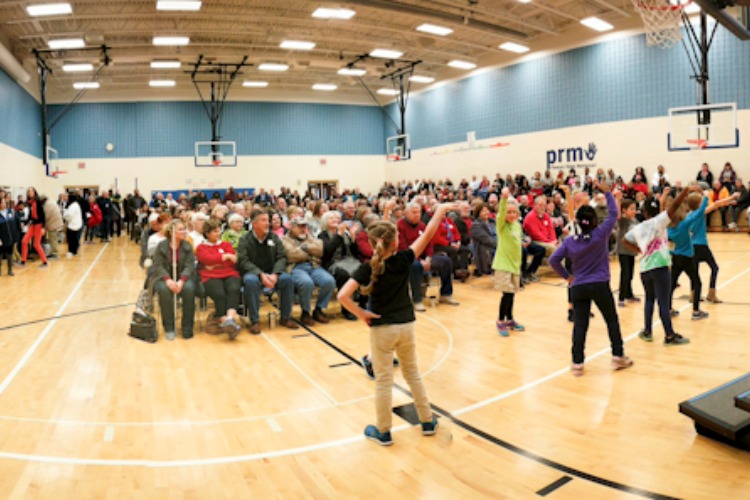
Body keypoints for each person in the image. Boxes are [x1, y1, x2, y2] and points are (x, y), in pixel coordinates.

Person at [337, 202, 458, 446]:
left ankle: (383, 431)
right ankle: (426, 422)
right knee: (413, 374)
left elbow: (342, 296)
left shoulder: (367, 268)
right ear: (396, 242)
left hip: (382, 328)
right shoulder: (404, 259)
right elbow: (429, 232)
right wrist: (438, 211)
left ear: (372, 244)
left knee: (383, 381)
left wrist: (362, 314)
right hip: (406, 326)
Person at [550, 181, 632, 377]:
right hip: (599, 284)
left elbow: (554, 260)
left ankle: (577, 363)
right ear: (595, 221)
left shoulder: (570, 241)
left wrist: (568, 277)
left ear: (577, 221)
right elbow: (613, 214)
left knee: (580, 326)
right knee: (611, 320)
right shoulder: (600, 235)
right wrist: (607, 193)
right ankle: (618, 356)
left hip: (578, 286)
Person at [622, 186, 696, 345]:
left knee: (649, 299)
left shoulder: (639, 227)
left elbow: (624, 241)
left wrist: (640, 250)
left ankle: (647, 331)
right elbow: (674, 206)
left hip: (645, 269)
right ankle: (669, 335)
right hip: (660, 268)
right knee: (663, 301)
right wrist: (684, 192)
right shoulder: (660, 220)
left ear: (645, 212)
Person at [237, 209, 298, 334]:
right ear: (254, 224)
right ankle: (255, 321)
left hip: (272, 273)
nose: (268, 223)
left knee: (287, 279)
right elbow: (243, 261)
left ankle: (285, 318)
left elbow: (281, 257)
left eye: (268, 220)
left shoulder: (274, 237)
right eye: (264, 220)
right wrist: (260, 274)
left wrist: (275, 274)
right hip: (254, 274)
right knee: (250, 281)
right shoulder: (245, 240)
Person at [398, 203, 458, 311]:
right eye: (414, 212)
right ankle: (417, 300)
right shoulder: (399, 226)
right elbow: (403, 248)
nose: (417, 215)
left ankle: (446, 294)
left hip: (425, 258)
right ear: (406, 213)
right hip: (408, 259)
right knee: (415, 266)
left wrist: (429, 258)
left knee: (446, 261)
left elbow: (429, 243)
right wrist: (420, 260)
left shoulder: (422, 225)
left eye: (419, 212)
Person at [687, 189, 739, 304]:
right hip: (701, 245)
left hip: (691, 247)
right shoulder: (700, 212)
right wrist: (731, 198)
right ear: (698, 204)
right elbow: (716, 204)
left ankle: (693, 294)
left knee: (694, 272)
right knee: (714, 268)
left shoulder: (688, 216)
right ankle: (711, 294)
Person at [282, 217, 336, 325]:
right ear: (292, 228)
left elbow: (320, 250)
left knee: (329, 281)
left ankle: (319, 309)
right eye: (300, 226)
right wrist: (311, 252)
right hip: (296, 268)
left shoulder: (310, 237)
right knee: (307, 283)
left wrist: (304, 248)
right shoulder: (284, 240)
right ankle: (305, 312)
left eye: (304, 226)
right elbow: (291, 255)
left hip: (314, 266)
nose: (303, 229)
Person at [151, 220, 197, 340]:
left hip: (183, 277)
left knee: (189, 289)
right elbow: (158, 266)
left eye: (184, 229)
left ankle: (187, 327)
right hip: (164, 278)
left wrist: (181, 281)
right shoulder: (161, 246)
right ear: (171, 232)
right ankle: (169, 327)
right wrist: (168, 280)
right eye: (181, 229)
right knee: (164, 291)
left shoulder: (187, 246)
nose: (184, 231)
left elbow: (189, 265)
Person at [667, 188, 709, 320]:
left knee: (672, 283)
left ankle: (668, 308)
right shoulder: (684, 224)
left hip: (676, 257)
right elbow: (699, 213)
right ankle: (696, 311)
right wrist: (706, 197)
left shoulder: (670, 228)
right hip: (687, 258)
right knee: (697, 283)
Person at [195, 219, 241, 339]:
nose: (218, 233)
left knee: (234, 288)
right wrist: (225, 257)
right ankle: (225, 320)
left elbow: (234, 261)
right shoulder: (201, 247)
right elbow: (206, 260)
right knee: (219, 293)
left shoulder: (226, 244)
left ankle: (230, 319)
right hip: (209, 276)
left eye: (219, 230)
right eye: (215, 231)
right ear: (207, 233)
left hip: (229, 273)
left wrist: (216, 262)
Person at [493, 189, 524, 336]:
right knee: (506, 294)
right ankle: (500, 320)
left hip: (514, 265)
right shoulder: (502, 226)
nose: (511, 214)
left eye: (514, 212)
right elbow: (501, 213)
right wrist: (504, 199)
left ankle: (510, 319)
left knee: (512, 294)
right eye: (509, 212)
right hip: (503, 265)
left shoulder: (517, 226)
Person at [616, 199, 639, 307]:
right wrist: (617, 199)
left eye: (635, 209)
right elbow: (617, 215)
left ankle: (629, 294)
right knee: (625, 274)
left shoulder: (634, 220)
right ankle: (621, 298)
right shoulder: (623, 220)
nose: (634, 211)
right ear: (624, 210)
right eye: (631, 209)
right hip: (623, 251)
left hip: (631, 251)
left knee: (630, 274)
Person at [20, 187, 48, 268]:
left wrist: (43, 227)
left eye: (31, 191)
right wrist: (25, 223)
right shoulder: (29, 203)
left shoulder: (38, 202)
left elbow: (43, 215)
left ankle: (45, 262)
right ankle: (23, 261)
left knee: (36, 244)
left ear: (34, 192)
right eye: (29, 191)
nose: (30, 192)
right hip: (32, 225)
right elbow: (30, 215)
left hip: (39, 225)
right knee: (24, 241)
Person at [0, 196, 21, 276]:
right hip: (2, 239)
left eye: (5, 202)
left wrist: (16, 235)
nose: (4, 204)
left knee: (10, 253)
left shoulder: (11, 212)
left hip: (11, 238)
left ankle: (10, 270)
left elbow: (16, 223)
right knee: (0, 254)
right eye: (2, 202)